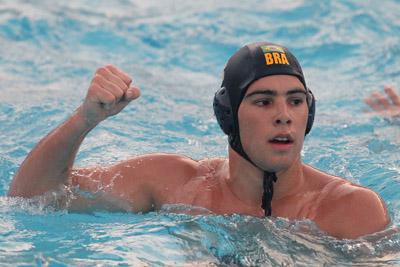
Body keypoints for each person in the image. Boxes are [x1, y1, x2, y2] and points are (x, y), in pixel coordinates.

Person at [8, 42, 390, 239]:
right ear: (228, 115)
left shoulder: (349, 209)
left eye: (295, 100)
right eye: (263, 100)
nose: (283, 114)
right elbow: (33, 200)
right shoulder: (175, 183)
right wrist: (84, 120)